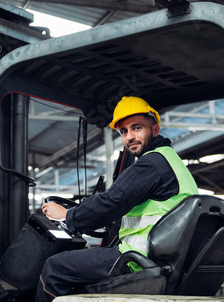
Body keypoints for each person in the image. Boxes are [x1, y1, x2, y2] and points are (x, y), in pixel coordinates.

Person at [36, 96, 198, 301]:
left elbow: (110, 201)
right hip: (160, 257)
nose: (129, 136)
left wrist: (68, 216)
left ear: (154, 130)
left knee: (54, 267)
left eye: (137, 128)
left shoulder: (151, 163)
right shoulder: (169, 160)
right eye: (124, 131)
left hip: (138, 258)